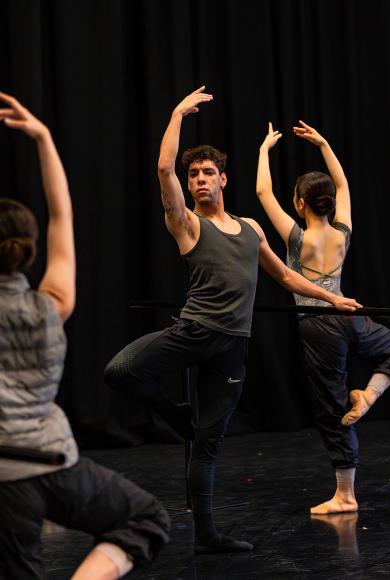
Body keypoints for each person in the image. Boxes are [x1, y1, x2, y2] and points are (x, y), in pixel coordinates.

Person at [104, 87, 361, 554]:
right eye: (194, 175)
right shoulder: (187, 225)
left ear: (224, 179)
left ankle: (206, 536)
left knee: (208, 447)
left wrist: (332, 301)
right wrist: (178, 113)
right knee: (119, 371)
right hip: (192, 333)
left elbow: (284, 274)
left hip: (233, 346)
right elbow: (163, 168)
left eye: (207, 173)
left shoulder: (250, 228)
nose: (199, 179)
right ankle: (178, 418)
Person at [0, 92, 170, 580]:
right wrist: (44, 139)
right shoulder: (53, 304)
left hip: (9, 479)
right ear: (27, 252)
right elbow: (62, 217)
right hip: (51, 466)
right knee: (147, 519)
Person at [256, 120, 390, 514]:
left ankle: (345, 495)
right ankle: (372, 394)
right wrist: (324, 143)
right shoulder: (343, 231)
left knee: (331, 406)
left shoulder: (296, 237)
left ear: (301, 203)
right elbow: (342, 185)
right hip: (351, 316)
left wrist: (263, 151)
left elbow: (262, 191)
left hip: (319, 326)